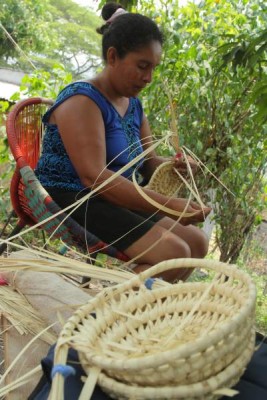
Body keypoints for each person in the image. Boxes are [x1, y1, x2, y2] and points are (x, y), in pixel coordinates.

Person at [35, 2, 211, 282]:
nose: (149, 78)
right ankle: (110, 316)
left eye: (153, 68)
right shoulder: (82, 100)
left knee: (197, 243)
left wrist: (176, 165)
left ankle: (143, 312)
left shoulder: (133, 105)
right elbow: (93, 177)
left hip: (115, 195)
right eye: (142, 66)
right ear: (113, 56)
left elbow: (149, 163)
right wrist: (167, 204)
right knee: (171, 253)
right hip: (75, 196)